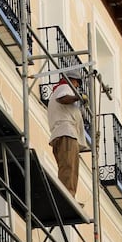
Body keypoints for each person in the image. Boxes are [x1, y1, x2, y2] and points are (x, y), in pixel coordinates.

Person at [47, 69, 88, 198]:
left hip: (64, 133)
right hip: (66, 133)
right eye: (77, 84)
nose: (77, 87)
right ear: (74, 81)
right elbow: (63, 98)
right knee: (69, 167)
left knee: (68, 168)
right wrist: (78, 97)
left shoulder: (60, 89)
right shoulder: (65, 87)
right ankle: (67, 196)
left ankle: (68, 195)